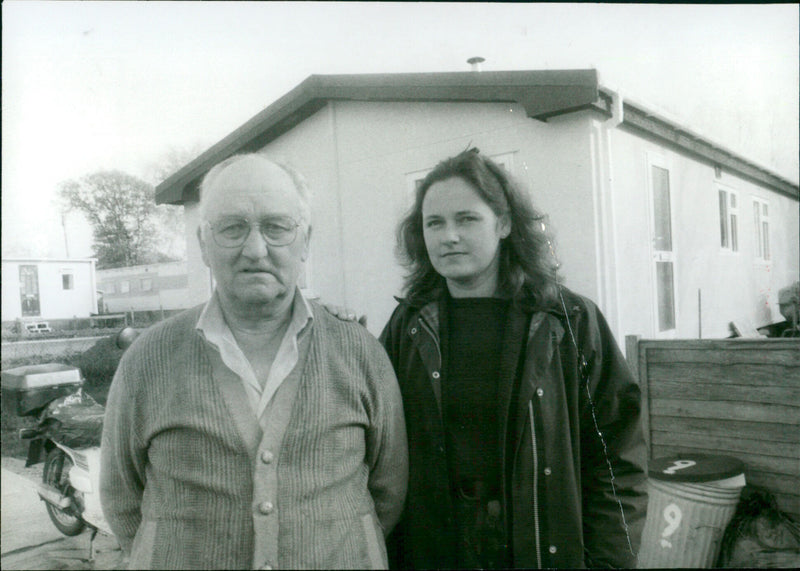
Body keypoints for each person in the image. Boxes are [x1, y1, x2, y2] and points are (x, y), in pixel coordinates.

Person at [100, 154, 408, 570]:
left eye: (277, 227)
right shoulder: (147, 359)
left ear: (306, 241)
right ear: (203, 243)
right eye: (232, 228)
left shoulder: (360, 352)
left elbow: (388, 491)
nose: (256, 249)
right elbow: (123, 500)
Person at [380, 148, 648, 569]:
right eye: (434, 223)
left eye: (466, 219)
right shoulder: (408, 327)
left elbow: (618, 459)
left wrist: (609, 561)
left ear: (504, 224)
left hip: (541, 548)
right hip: (440, 550)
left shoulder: (569, 322)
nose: (448, 235)